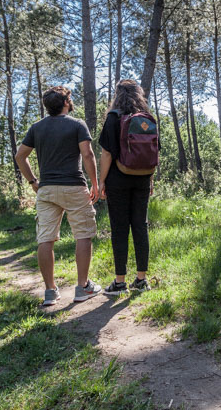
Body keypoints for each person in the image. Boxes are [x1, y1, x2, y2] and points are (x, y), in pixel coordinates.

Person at [15, 86, 101, 306]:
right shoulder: (77, 125)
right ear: (65, 103)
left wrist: (33, 181)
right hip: (74, 186)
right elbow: (88, 154)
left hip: (47, 190)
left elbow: (20, 156)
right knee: (83, 235)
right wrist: (95, 183)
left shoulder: (37, 128)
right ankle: (82, 288)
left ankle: (50, 292)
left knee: (46, 239)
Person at [98, 79, 155, 295]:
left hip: (117, 179)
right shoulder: (146, 120)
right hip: (142, 178)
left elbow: (106, 153)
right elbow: (153, 154)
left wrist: (102, 180)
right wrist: (149, 179)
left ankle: (119, 283)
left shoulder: (113, 117)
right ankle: (141, 280)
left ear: (118, 95)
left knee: (120, 229)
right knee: (141, 226)